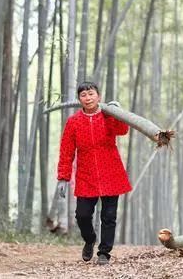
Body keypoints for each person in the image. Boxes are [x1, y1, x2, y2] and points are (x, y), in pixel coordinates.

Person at [56, 80, 131, 265]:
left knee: (109, 216)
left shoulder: (108, 116)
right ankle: (89, 240)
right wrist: (63, 178)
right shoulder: (73, 122)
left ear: (99, 96)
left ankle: (104, 252)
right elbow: (66, 151)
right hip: (86, 175)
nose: (88, 98)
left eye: (91, 94)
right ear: (79, 99)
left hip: (111, 172)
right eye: (83, 95)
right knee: (82, 215)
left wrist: (117, 112)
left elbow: (123, 130)